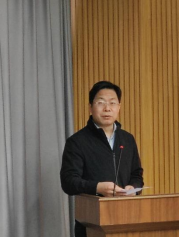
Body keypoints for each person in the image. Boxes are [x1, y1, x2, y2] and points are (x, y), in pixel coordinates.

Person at [61, 81, 144, 237]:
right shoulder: (77, 141)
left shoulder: (127, 139)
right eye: (101, 103)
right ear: (90, 107)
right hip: (91, 223)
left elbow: (137, 174)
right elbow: (68, 182)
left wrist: (132, 187)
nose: (107, 108)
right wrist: (98, 188)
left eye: (112, 103)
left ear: (119, 107)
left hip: (127, 218)